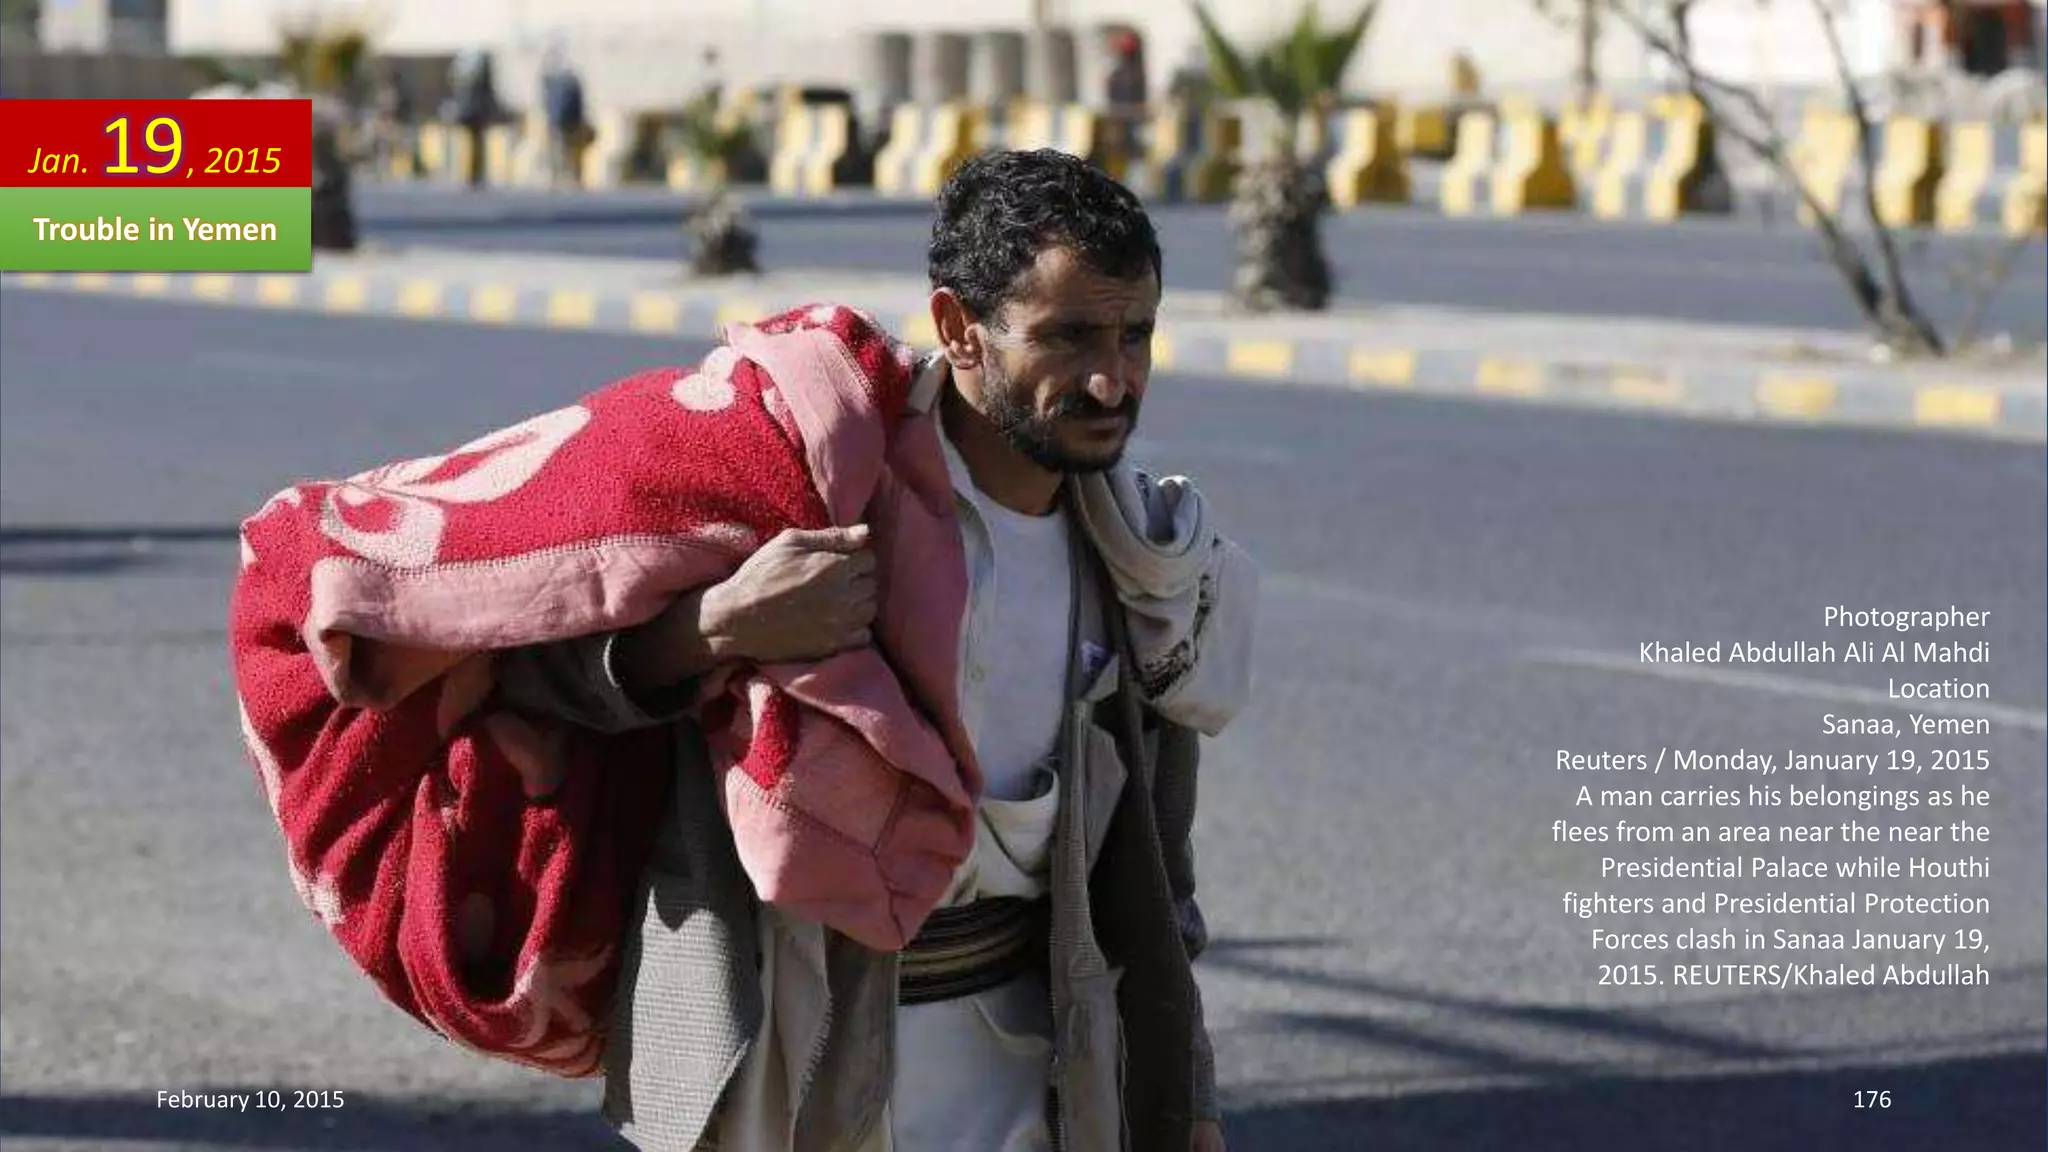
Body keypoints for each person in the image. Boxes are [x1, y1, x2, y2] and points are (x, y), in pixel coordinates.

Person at [493, 148, 1255, 1152]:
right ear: (958, 330)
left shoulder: (1142, 563)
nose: (1112, 378)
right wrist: (714, 628)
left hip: (1032, 1068)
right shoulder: (797, 490)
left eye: (1134, 335)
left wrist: (1188, 1103)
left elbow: (1162, 872)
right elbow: (533, 673)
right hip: (792, 1051)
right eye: (1066, 338)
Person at [539, 45, 587, 189]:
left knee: (563, 149)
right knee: (561, 150)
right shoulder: (557, 81)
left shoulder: (553, 81)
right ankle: (562, 178)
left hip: (562, 120)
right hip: (561, 120)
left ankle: (563, 178)